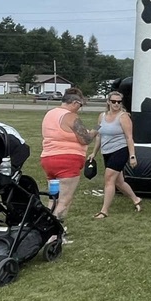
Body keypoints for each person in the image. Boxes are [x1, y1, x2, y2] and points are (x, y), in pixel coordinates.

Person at [40, 88, 98, 234]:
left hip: (48, 159)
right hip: (67, 161)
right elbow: (85, 139)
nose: (80, 108)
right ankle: (54, 233)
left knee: (53, 198)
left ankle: (45, 227)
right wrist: (97, 128)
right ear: (74, 103)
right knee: (64, 200)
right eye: (81, 105)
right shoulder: (70, 116)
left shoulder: (50, 114)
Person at [88, 91, 142, 218]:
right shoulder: (101, 116)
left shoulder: (124, 117)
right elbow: (98, 135)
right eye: (113, 101)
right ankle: (136, 199)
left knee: (108, 179)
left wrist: (132, 156)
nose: (116, 104)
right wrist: (94, 153)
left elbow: (129, 137)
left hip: (120, 150)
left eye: (119, 102)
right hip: (106, 152)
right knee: (119, 182)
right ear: (108, 102)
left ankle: (104, 211)